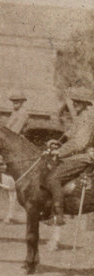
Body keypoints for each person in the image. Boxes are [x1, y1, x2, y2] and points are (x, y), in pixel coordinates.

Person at [45, 89, 94, 225]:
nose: (75, 103)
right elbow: (70, 133)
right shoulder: (81, 116)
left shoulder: (88, 117)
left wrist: (59, 152)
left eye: (79, 101)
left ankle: (58, 216)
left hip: (84, 157)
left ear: (85, 103)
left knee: (53, 178)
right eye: (74, 101)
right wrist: (58, 142)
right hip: (76, 156)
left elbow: (79, 143)